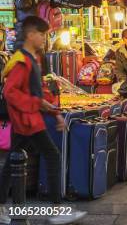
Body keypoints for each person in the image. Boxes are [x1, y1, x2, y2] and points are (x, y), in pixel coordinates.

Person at [0, 16, 87, 224]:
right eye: (42, 34)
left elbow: (39, 91)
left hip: (29, 119)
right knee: (52, 155)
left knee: (11, 163)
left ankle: (2, 206)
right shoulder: (22, 61)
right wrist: (37, 104)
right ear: (31, 35)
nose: (44, 39)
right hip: (26, 121)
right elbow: (10, 93)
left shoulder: (34, 59)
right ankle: (56, 209)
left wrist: (54, 112)